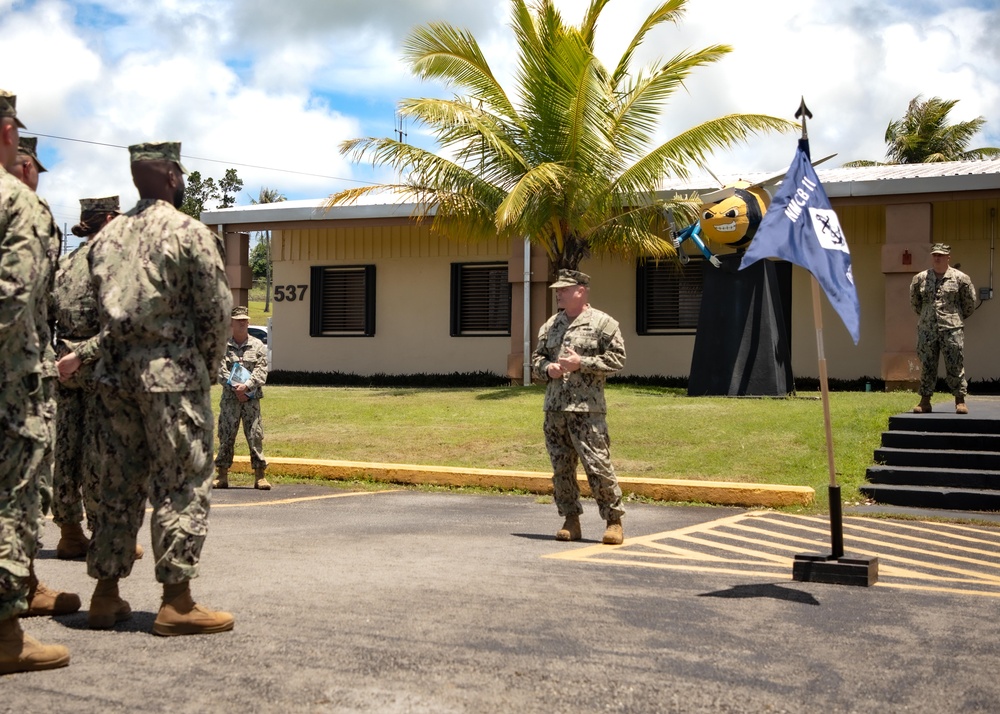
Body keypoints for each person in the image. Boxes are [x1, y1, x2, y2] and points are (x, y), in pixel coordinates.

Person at [84, 141, 234, 636]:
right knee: (181, 482)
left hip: (112, 379)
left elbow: (94, 313)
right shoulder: (189, 232)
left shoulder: (106, 239)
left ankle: (105, 596)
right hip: (172, 379)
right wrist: (207, 367)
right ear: (172, 175)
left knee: (115, 486)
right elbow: (215, 309)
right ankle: (177, 601)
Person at [0, 89, 70, 674]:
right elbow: (15, 299)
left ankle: (25, 586)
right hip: (11, 382)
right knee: (14, 499)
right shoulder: (19, 207)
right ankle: (5, 633)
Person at [9, 134, 83, 620]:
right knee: (20, 483)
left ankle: (26, 581)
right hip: (16, 373)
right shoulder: (26, 213)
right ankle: (17, 596)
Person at [531, 269, 627, 545]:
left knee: (597, 466)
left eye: (564, 289)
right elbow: (538, 358)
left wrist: (582, 363)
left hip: (587, 410)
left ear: (581, 290)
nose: (558, 293)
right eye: (557, 289)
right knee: (561, 468)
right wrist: (547, 368)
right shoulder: (551, 325)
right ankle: (570, 520)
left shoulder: (603, 323)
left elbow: (617, 360)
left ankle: (613, 521)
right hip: (555, 409)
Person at [52, 197, 121, 560]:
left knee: (65, 450)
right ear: (109, 219)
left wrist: (61, 358)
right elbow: (122, 324)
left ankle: (68, 532)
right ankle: (102, 535)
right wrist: (85, 354)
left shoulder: (65, 265)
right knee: (100, 453)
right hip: (99, 369)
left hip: (63, 368)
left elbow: (44, 317)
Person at [910, 243, 977, 414]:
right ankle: (925, 401)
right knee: (927, 365)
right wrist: (928, 317)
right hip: (927, 329)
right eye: (935, 255)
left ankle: (960, 401)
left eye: (941, 255)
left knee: (955, 364)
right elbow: (915, 303)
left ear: (948, 257)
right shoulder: (920, 278)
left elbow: (969, 304)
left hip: (952, 328)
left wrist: (954, 318)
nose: (937, 257)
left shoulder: (961, 278)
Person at [214, 305, 271, 490]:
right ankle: (221, 475)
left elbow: (262, 370)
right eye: (239, 321)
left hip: (251, 399)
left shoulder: (257, 345)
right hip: (230, 400)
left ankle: (260, 476)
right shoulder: (224, 347)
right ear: (231, 323)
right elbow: (220, 371)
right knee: (226, 436)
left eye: (245, 320)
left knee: (254, 436)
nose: (243, 323)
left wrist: (246, 387)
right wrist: (235, 388)